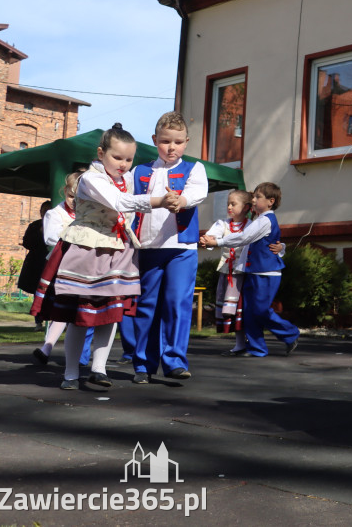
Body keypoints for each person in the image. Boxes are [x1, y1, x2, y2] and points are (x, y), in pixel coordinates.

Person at [40, 124, 178, 390]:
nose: (124, 164)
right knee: (80, 316)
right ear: (101, 152)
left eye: (129, 159)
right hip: (87, 250)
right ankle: (70, 373)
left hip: (116, 249)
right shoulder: (91, 179)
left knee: (111, 312)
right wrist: (159, 201)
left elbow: (128, 206)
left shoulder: (123, 180)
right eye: (117, 157)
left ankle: (99, 368)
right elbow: (120, 203)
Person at [124, 111, 208, 384]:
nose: (171, 147)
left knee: (177, 303)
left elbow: (198, 193)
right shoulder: (140, 170)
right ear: (154, 140)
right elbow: (127, 199)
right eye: (165, 141)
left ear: (186, 142)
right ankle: (143, 365)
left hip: (182, 247)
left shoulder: (194, 168)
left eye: (178, 142)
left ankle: (174, 361)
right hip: (148, 247)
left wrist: (182, 201)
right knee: (147, 305)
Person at [200, 182, 299, 358]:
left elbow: (244, 237)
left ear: (270, 201)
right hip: (252, 272)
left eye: (257, 197)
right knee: (249, 311)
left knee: (260, 310)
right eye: (253, 197)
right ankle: (257, 348)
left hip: (266, 273)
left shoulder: (266, 220)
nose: (253, 200)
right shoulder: (259, 220)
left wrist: (218, 242)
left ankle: (290, 333)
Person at [29, 171, 93, 366]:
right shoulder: (55, 214)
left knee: (85, 310)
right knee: (63, 308)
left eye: (80, 197)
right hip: (63, 266)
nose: (75, 201)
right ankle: (47, 346)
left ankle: (80, 356)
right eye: (71, 196)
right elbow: (50, 237)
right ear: (65, 191)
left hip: (87, 266)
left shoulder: (91, 213)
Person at [204, 189, 252, 354]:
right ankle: (240, 344)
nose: (229, 207)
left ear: (245, 207)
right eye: (228, 204)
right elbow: (212, 237)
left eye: (233, 204)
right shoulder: (222, 224)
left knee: (243, 308)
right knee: (232, 310)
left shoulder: (251, 225)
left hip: (244, 273)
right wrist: (207, 240)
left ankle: (249, 342)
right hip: (228, 271)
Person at [19, 202, 51, 331]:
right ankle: (38, 321)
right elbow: (27, 242)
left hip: (50, 262)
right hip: (36, 263)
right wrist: (39, 232)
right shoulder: (35, 225)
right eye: (43, 211)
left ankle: (51, 320)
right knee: (37, 292)